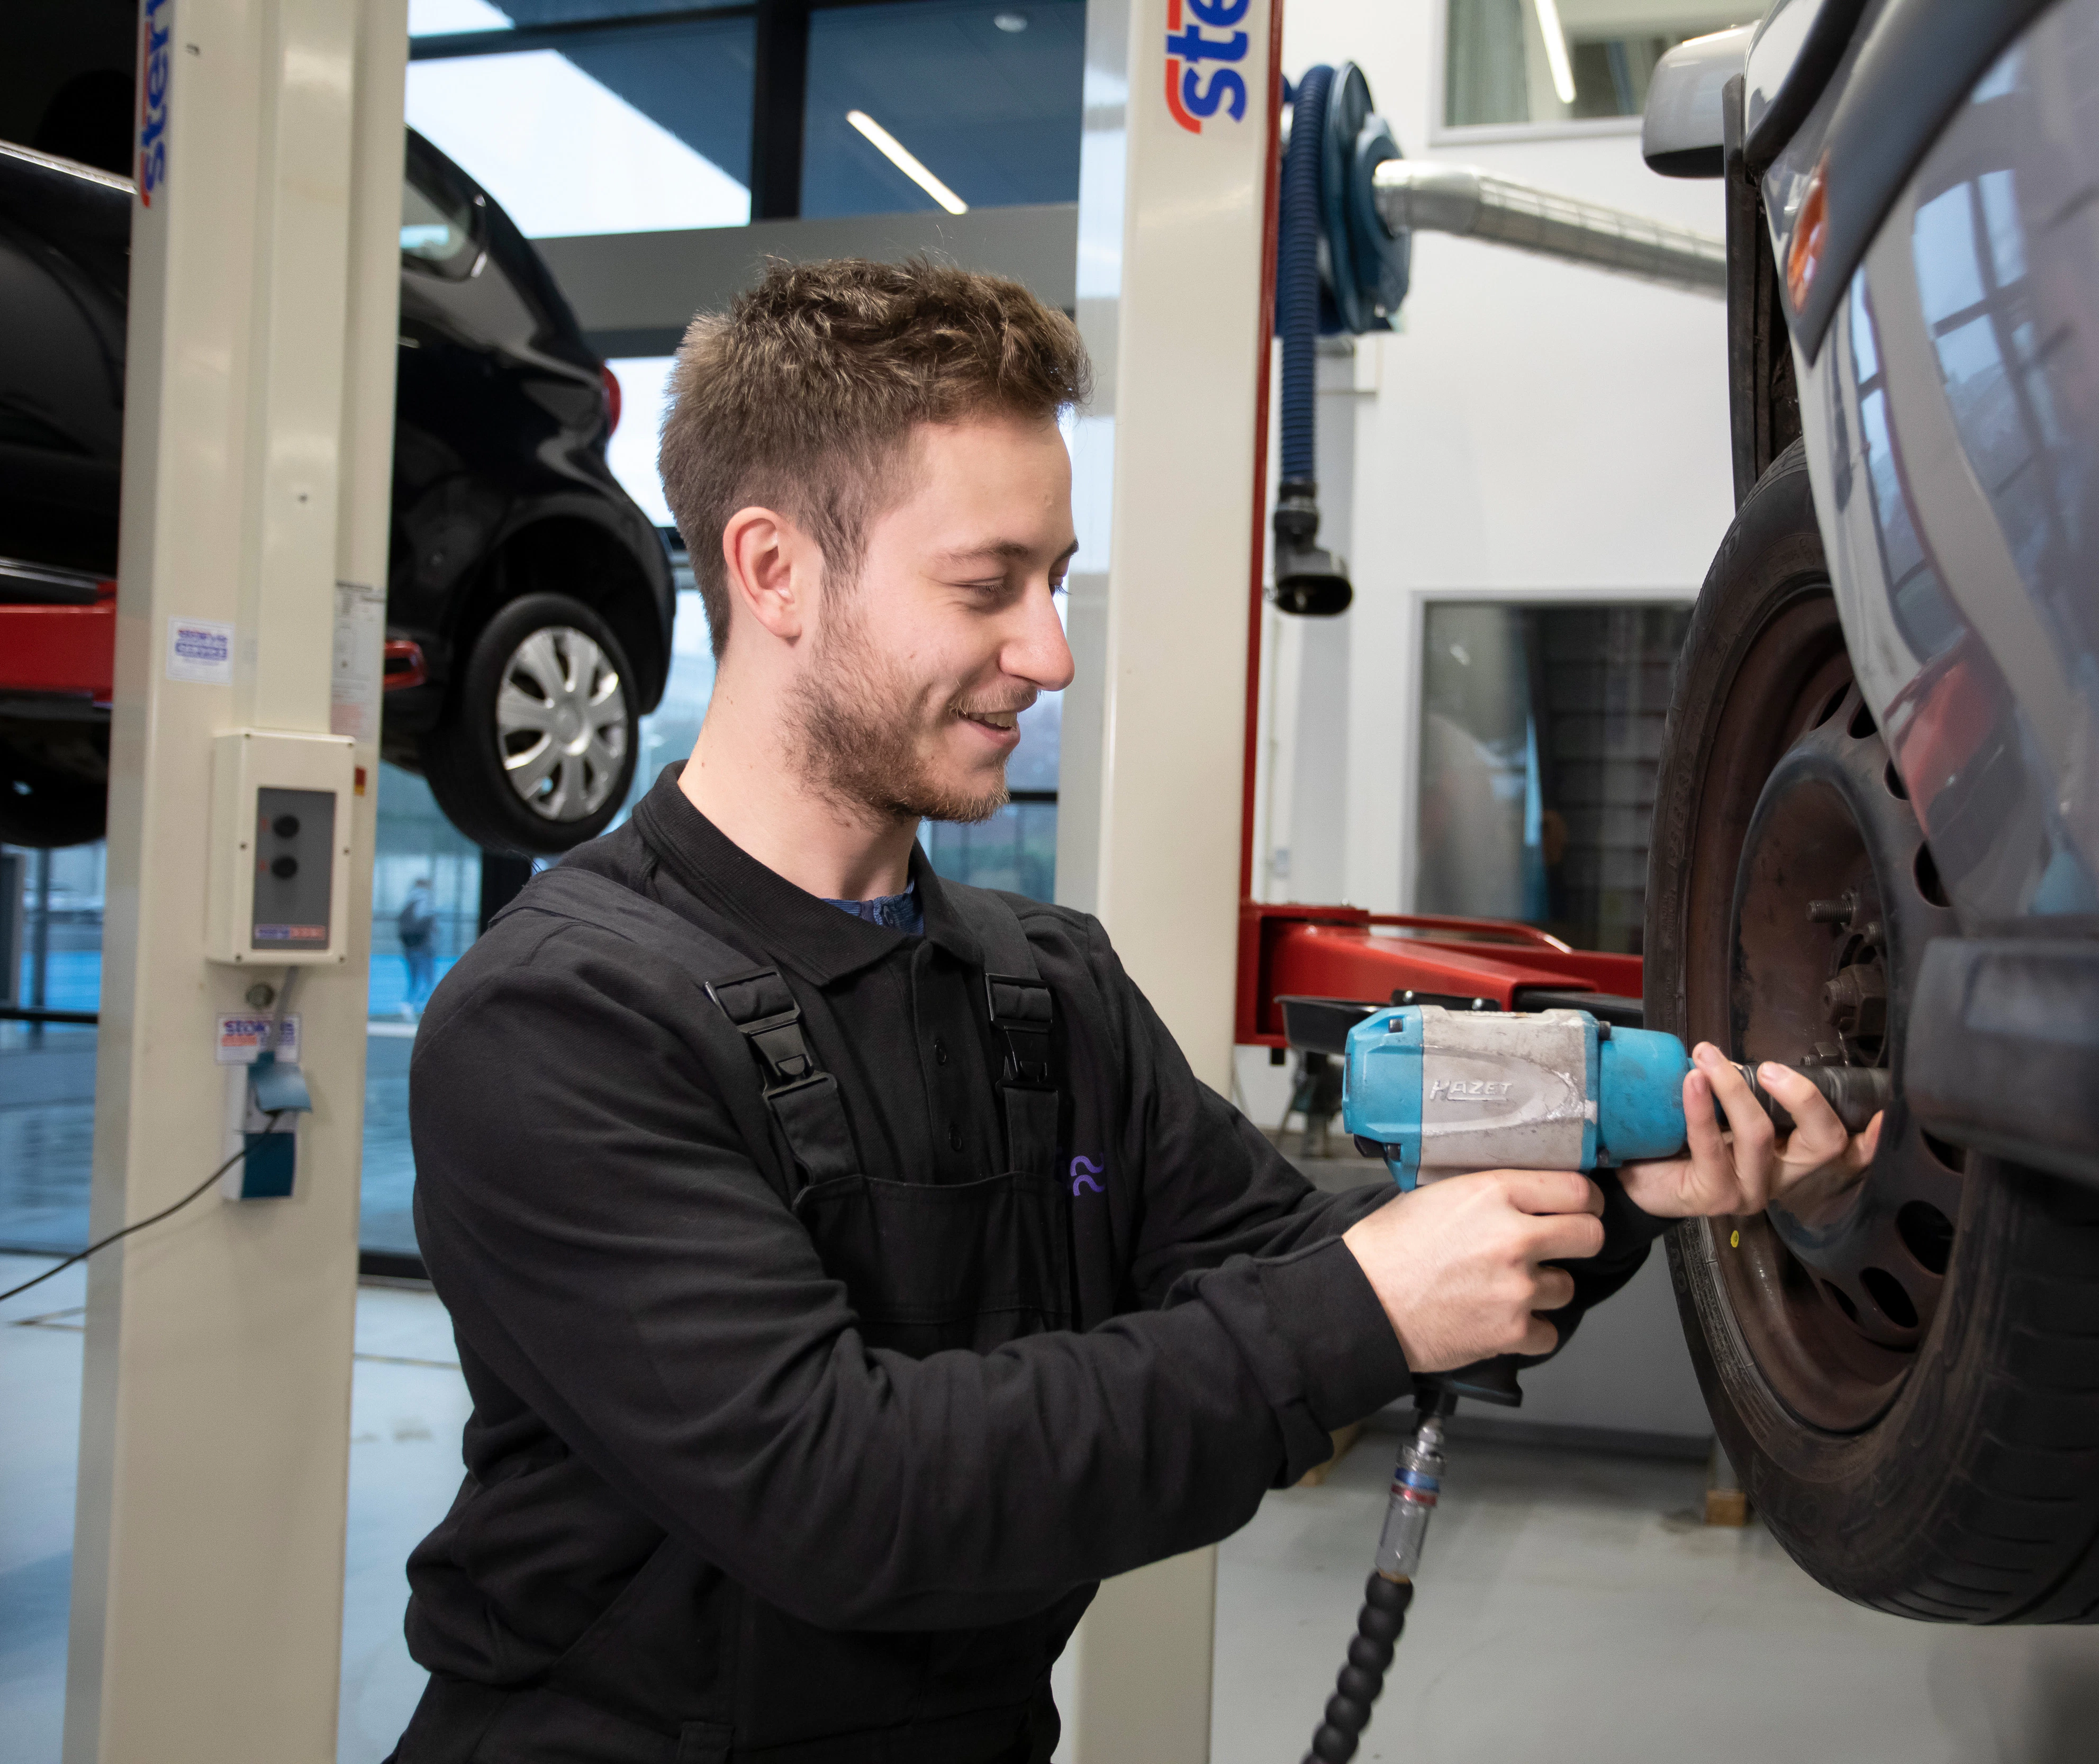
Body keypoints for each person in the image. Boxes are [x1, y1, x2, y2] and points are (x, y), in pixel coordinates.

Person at [389, 259, 1882, 1763]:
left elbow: (1308, 1275)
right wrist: (1362, 1303)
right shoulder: (560, 1019)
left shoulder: (1042, 990)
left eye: (1053, 577)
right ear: (773, 571)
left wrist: (1628, 1186)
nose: (1049, 651)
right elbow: (839, 1492)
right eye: (987, 586)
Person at [395, 877, 436, 1021]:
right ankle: (415, 1007)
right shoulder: (425, 900)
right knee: (428, 980)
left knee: (414, 980)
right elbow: (430, 925)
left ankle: (409, 1005)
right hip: (423, 947)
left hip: (409, 947)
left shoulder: (409, 901)